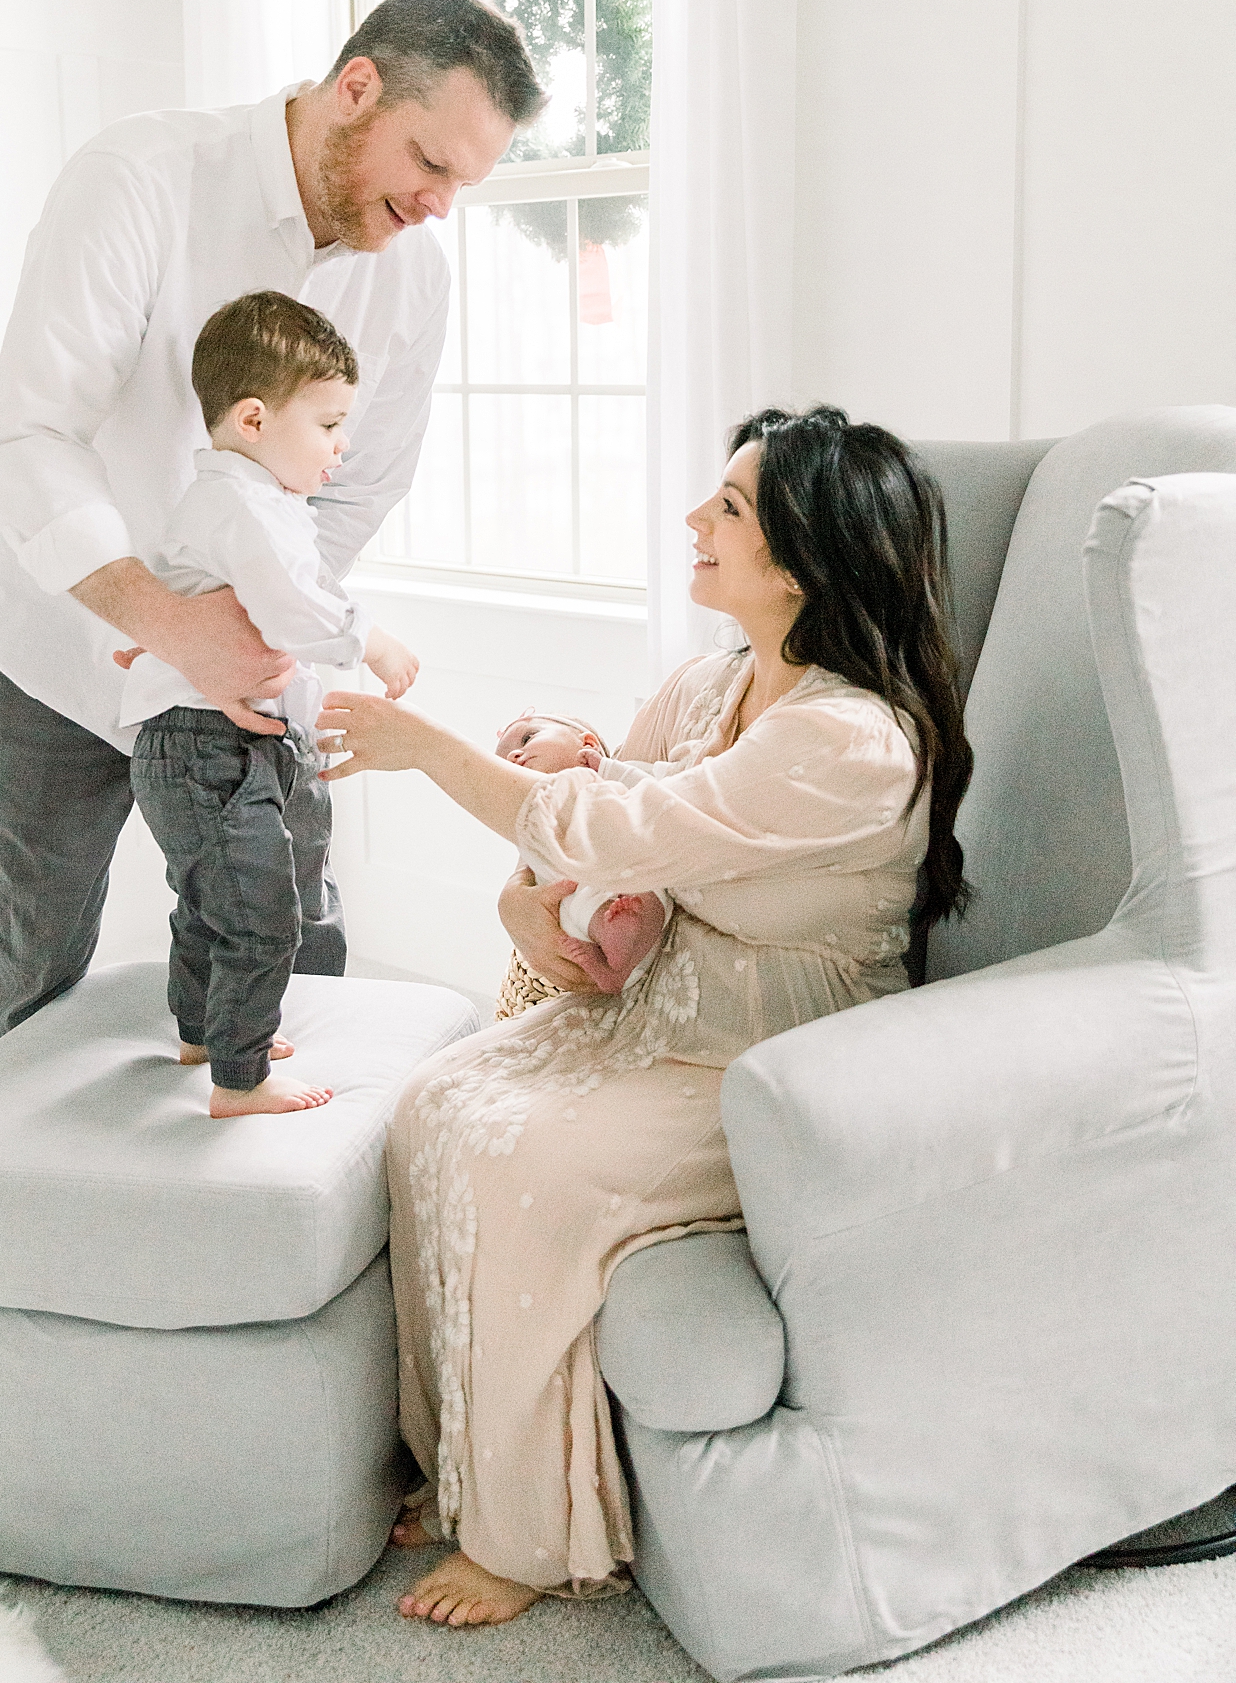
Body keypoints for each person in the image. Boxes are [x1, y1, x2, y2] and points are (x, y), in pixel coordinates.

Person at [319, 405, 973, 1630]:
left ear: (800, 560)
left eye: (727, 506)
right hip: (656, 1005)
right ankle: (450, 1461)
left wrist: (419, 745)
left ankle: (520, 1535)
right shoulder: (712, 680)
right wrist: (524, 910)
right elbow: (592, 807)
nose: (694, 520)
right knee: (434, 1103)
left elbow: (602, 829)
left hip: (776, 1061)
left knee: (533, 1167)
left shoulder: (848, 740)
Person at [0, 0, 545, 1051]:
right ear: (355, 87)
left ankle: (278, 1193)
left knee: (292, 941)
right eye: (430, 164)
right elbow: (29, 440)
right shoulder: (138, 180)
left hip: (250, 667)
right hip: (55, 642)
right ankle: (7, 1207)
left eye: (465, 182)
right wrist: (166, 618)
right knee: (36, 967)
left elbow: (360, 482)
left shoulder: (413, 277)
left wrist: (251, 614)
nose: (440, 204)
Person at [122, 292, 417, 1118]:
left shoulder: (256, 503)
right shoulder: (240, 505)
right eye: (328, 424)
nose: (342, 443)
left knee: (213, 904)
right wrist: (372, 641)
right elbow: (295, 611)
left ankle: (206, 1032)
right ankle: (237, 1081)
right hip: (202, 743)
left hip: (214, 741)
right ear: (253, 420)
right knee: (261, 918)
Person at [493, 711, 670, 1003]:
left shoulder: (611, 775)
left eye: (528, 738)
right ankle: (610, 953)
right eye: (503, 763)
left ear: (586, 743)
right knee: (577, 910)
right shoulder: (535, 816)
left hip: (626, 876)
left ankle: (622, 942)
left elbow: (658, 789)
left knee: (648, 893)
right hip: (575, 894)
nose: (513, 754)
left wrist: (610, 769)